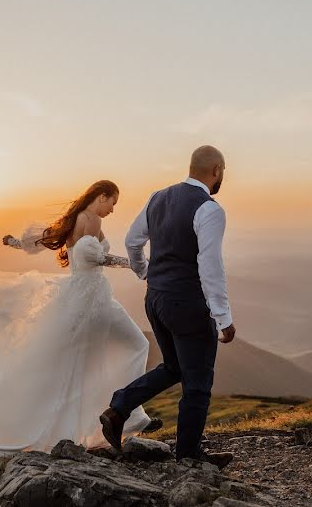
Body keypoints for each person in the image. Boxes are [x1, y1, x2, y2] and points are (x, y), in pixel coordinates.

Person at [0, 180, 160, 484]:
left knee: (131, 346)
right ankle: (109, 420)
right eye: (112, 201)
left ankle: (121, 415)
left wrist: (14, 242)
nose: (113, 208)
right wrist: (138, 265)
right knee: (79, 366)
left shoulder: (91, 220)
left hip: (97, 299)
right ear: (100, 196)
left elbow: (44, 238)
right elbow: (98, 257)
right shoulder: (83, 220)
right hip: (84, 303)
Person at [100, 146, 236, 469]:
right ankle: (188, 457)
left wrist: (145, 271)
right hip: (187, 304)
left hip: (156, 300)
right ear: (216, 171)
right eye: (223, 172)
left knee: (174, 368)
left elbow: (133, 241)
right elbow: (210, 267)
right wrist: (223, 317)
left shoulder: (157, 198)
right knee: (198, 383)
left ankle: (118, 408)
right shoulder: (210, 210)